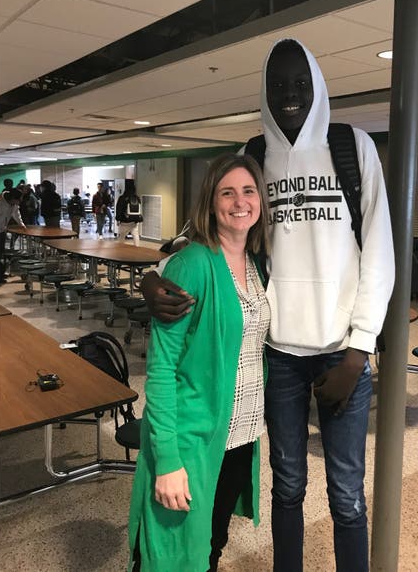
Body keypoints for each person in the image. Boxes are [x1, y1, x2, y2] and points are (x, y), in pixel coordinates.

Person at [143, 38, 394, 572]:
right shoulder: (255, 155)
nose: (289, 95)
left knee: (347, 494)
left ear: (318, 86)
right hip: (277, 353)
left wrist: (359, 349)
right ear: (265, 90)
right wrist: (150, 276)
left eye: (300, 84)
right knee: (287, 486)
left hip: (341, 354)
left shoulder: (354, 148)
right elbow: (201, 237)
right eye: (278, 85)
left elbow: (381, 250)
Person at [127, 154, 272, 571]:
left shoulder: (256, 264)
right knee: (169, 552)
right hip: (193, 437)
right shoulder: (192, 264)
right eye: (227, 192)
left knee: (210, 544)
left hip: (240, 434)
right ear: (211, 202)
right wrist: (168, 460)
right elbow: (161, 370)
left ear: (260, 201)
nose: (239, 201)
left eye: (248, 191)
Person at [0, 189, 24, 285]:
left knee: (0, 253)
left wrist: (21, 224)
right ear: (13, 198)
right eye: (19, 199)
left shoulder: (13, 205)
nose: (20, 202)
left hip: (2, 231)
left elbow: (16, 214)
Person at [116, 179, 144, 246]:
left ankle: (120, 249)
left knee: (122, 237)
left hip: (124, 221)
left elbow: (119, 209)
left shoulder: (122, 198)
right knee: (135, 236)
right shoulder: (137, 198)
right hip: (134, 221)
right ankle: (137, 249)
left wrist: (118, 219)